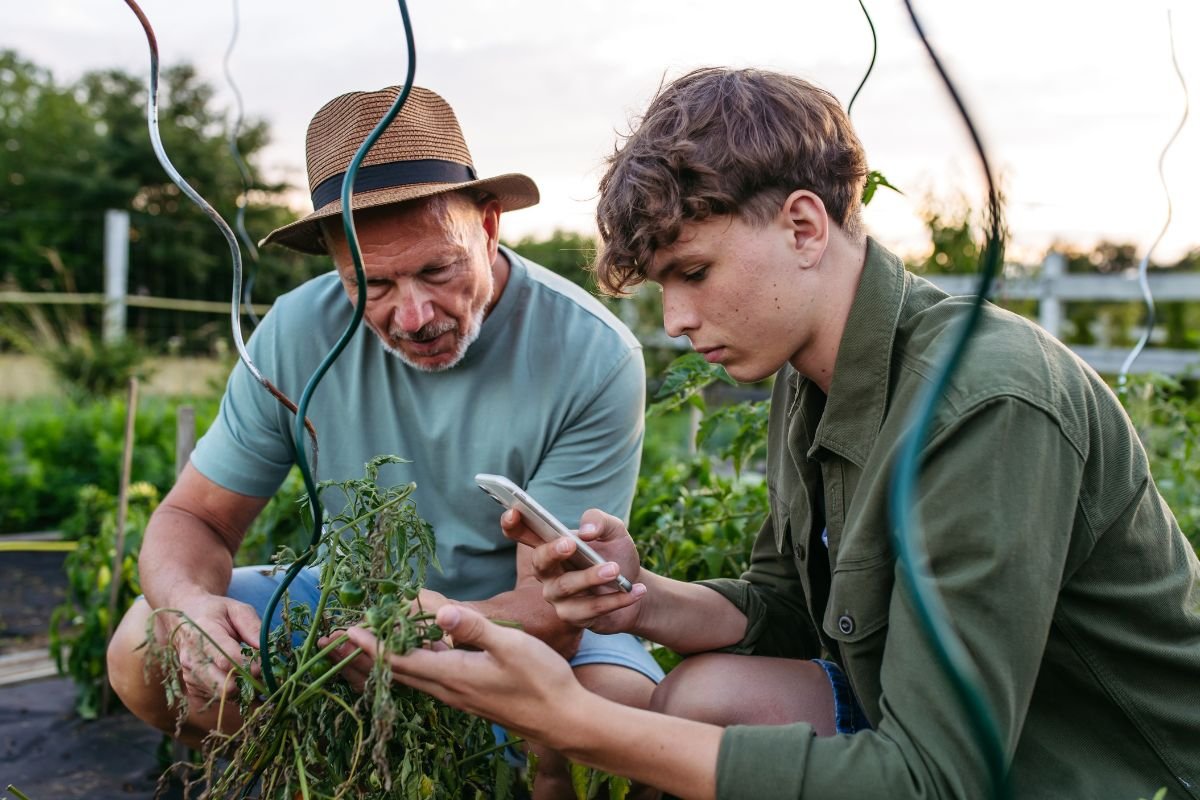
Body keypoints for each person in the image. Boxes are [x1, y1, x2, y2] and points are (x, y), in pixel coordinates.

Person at [339, 68, 1200, 799]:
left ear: (802, 225)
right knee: (701, 696)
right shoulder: (811, 371)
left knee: (675, 725)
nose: (676, 319)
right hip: (960, 735)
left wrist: (574, 722)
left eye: (695, 273)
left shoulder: (986, 402)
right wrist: (643, 597)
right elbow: (792, 606)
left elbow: (937, 779)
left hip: (1110, 767)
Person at [105, 85, 664, 798]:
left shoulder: (589, 352)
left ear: (488, 225)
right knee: (141, 649)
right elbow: (195, 518)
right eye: (369, 284)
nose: (414, 314)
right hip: (353, 603)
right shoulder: (296, 331)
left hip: (519, 615)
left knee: (620, 716)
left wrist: (382, 643)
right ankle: (352, 772)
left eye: (439, 269)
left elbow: (549, 612)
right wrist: (190, 610)